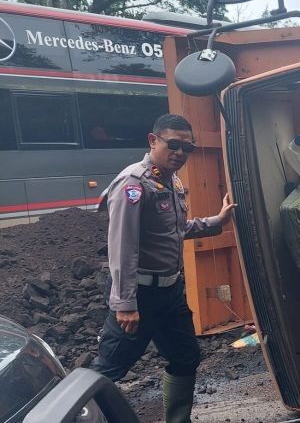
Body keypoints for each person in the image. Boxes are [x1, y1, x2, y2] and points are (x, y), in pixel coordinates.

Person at [91, 114, 236, 423]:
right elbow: (122, 247)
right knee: (106, 371)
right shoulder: (133, 184)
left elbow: (177, 228)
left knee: (186, 357)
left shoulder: (170, 181)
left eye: (187, 148)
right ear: (152, 140)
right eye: (173, 145)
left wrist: (217, 222)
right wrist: (126, 304)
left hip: (169, 293)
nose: (180, 153)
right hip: (139, 296)